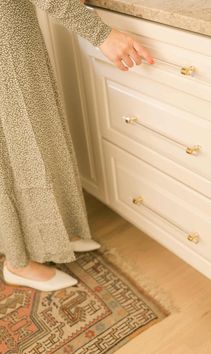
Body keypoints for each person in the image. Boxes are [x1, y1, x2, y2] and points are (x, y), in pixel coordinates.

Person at [0, 0, 154, 291]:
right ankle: (17, 262)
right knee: (9, 156)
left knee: (38, 138)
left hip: (15, 36)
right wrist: (101, 34)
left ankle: (53, 232)